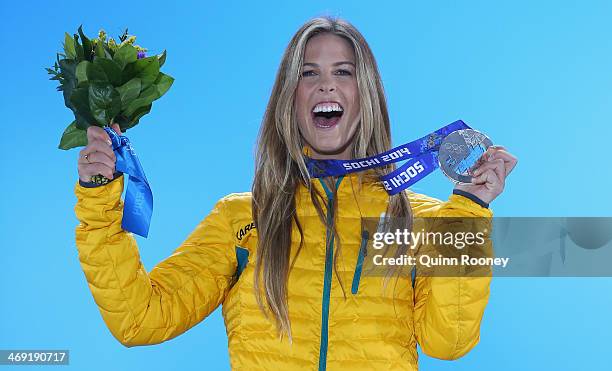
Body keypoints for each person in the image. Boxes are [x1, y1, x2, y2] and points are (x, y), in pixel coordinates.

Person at [74, 16, 517, 370]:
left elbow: (449, 342)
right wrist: (99, 202)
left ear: (366, 95)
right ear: (290, 97)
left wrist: (469, 211)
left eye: (344, 72)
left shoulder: (418, 219)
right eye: (309, 73)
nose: (327, 85)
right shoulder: (241, 219)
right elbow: (141, 318)